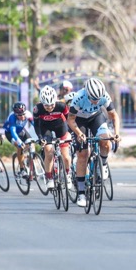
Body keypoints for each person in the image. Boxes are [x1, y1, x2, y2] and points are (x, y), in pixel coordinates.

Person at [67, 78, 121, 207]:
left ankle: (102, 163)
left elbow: (114, 116)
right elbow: (70, 120)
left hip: (95, 117)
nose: (96, 101)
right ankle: (81, 193)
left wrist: (116, 133)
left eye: (98, 99)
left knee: (105, 141)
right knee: (83, 154)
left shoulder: (105, 96)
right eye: (93, 99)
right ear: (87, 93)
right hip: (79, 121)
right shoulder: (78, 98)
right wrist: (79, 134)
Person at [34, 85, 71, 190]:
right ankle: (49, 177)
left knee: (66, 156)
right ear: (42, 103)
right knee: (48, 151)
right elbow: (36, 125)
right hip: (46, 128)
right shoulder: (38, 109)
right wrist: (40, 137)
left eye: (51, 105)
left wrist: (71, 133)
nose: (49, 108)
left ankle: (68, 175)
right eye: (46, 106)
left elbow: (69, 120)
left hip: (60, 126)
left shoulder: (62, 106)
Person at [3, 101, 37, 177]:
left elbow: (35, 125)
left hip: (21, 130)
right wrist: (19, 142)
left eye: (23, 114)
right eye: (19, 115)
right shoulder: (12, 117)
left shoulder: (28, 114)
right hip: (10, 133)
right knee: (20, 147)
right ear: (15, 114)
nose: (22, 117)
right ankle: (22, 169)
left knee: (31, 144)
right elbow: (13, 131)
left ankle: (29, 161)